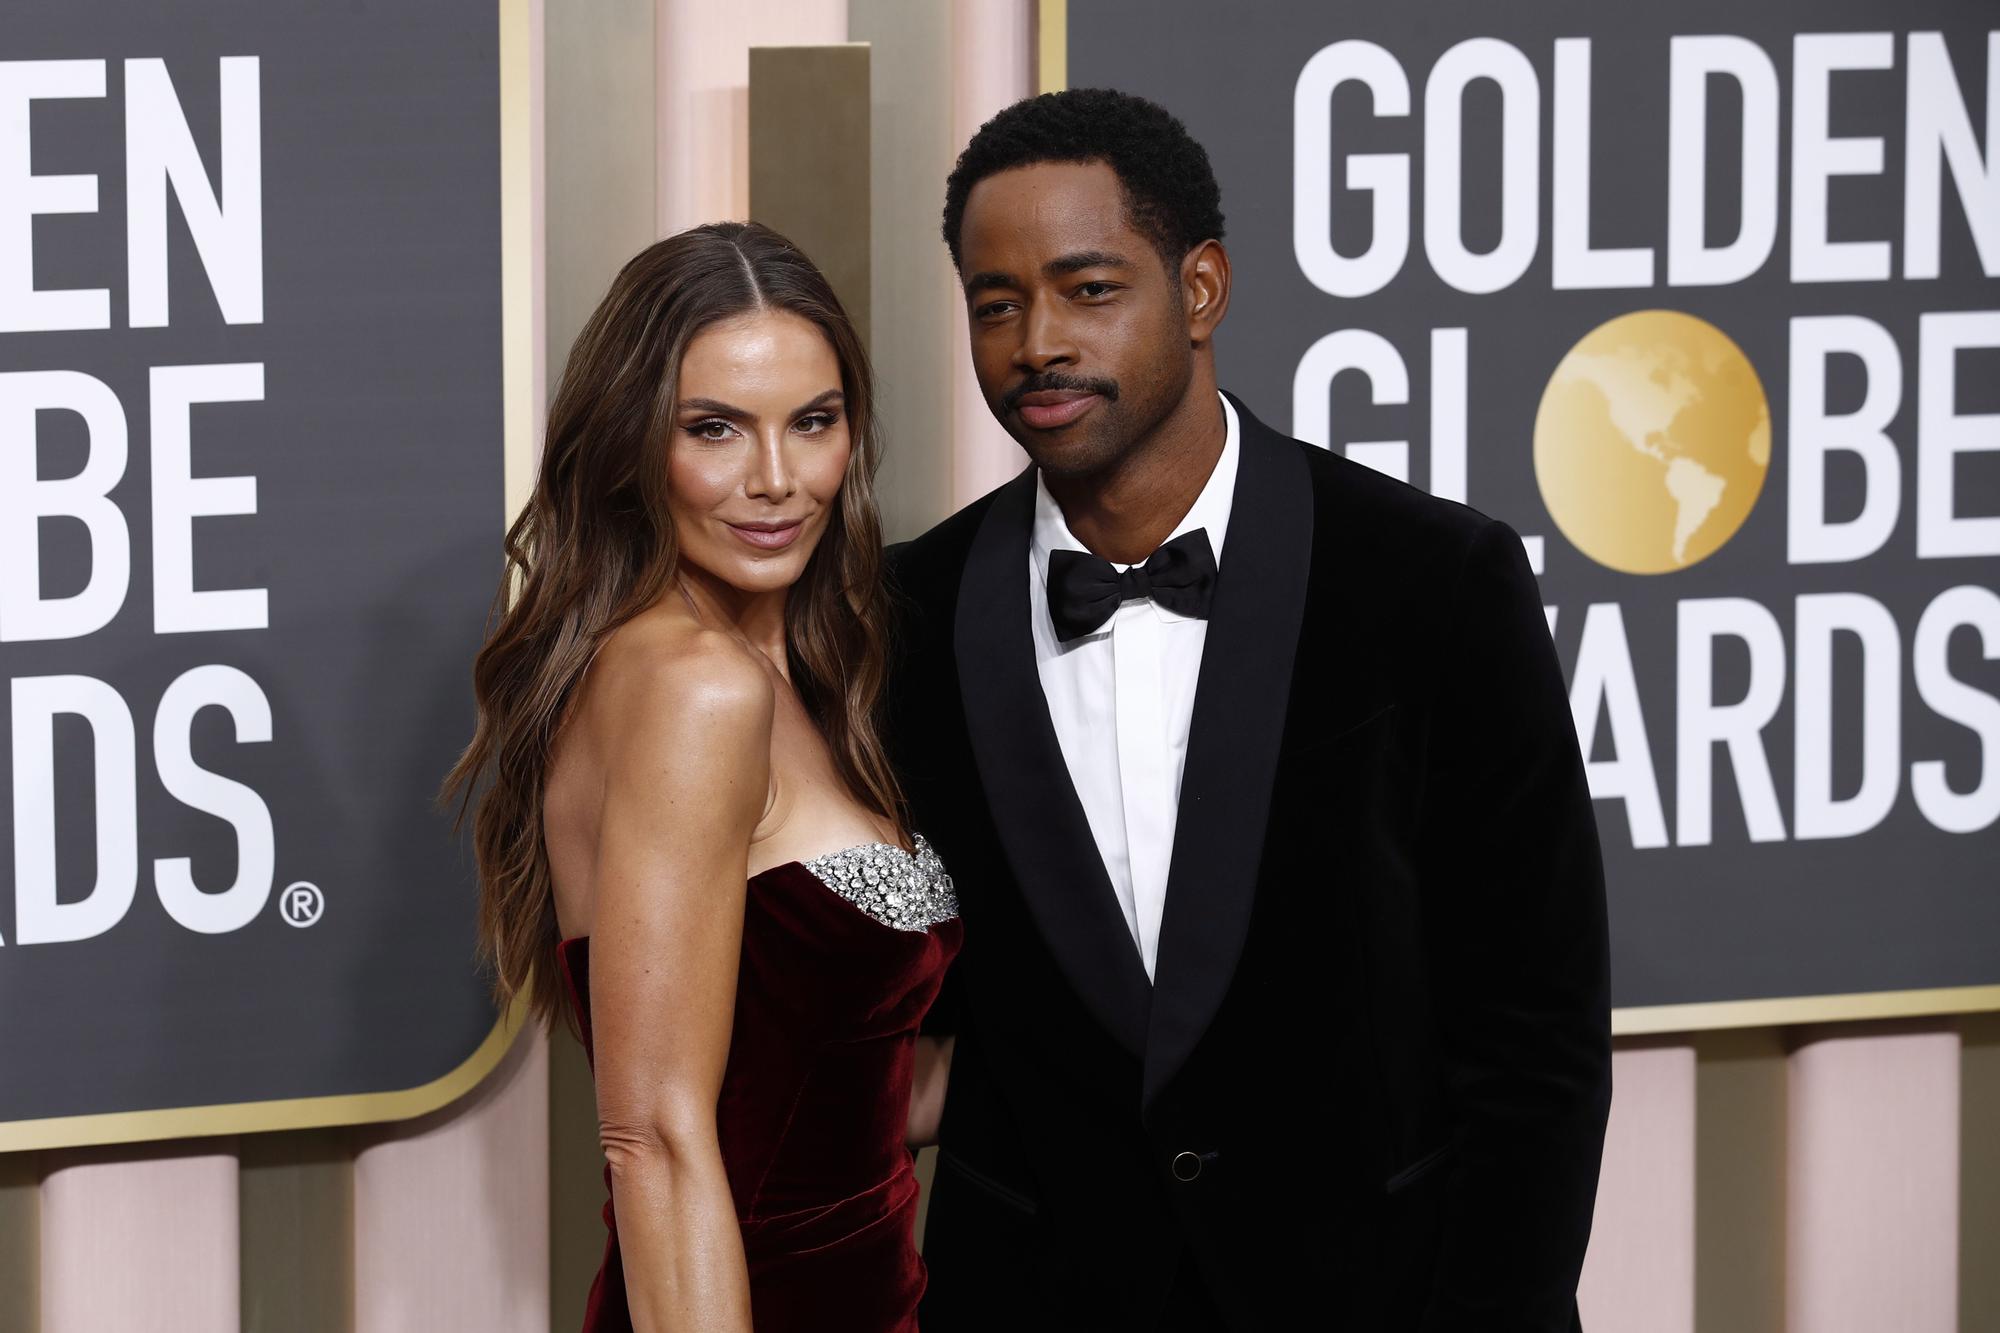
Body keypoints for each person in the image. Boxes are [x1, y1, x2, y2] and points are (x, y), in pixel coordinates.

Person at [888, 89, 1611, 1331]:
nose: (1035, 343)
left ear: (1202, 288)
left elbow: (1534, 1037)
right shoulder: (901, 615)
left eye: (1088, 288)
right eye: (994, 303)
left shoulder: (1431, 581)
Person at [442, 221, 961, 1333]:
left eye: (812, 423)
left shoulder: (802, 669)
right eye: (714, 429)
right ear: (634, 444)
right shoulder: (692, 689)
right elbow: (656, 1140)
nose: (775, 480)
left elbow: (846, 1089)